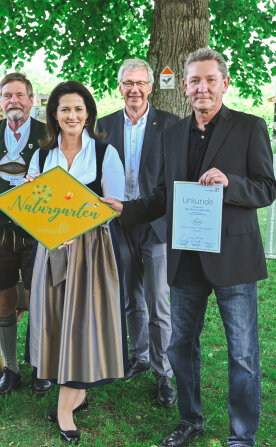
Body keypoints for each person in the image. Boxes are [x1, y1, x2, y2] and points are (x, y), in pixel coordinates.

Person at [102, 48, 276, 447]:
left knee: (243, 355)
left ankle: (240, 441)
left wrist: (229, 183)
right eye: (194, 81)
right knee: (181, 347)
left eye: (209, 80)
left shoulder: (250, 127)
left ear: (224, 83)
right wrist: (123, 208)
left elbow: (266, 188)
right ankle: (190, 420)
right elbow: (164, 196)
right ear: (184, 86)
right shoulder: (173, 133)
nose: (201, 87)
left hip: (233, 259)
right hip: (184, 258)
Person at [26, 81, 126, 445]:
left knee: (82, 322)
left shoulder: (104, 154)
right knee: (55, 320)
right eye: (65, 109)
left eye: (79, 109)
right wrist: (51, 226)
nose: (72, 116)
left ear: (88, 114)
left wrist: (77, 224)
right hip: (51, 249)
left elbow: (114, 207)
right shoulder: (40, 156)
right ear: (54, 113)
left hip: (90, 252)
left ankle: (65, 408)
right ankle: (75, 392)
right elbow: (34, 207)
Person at [96, 58, 179, 407]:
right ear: (120, 87)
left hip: (155, 221)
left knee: (158, 301)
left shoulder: (170, 125)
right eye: (128, 83)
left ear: (150, 87)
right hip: (118, 221)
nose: (134, 89)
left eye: (141, 83)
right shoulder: (102, 125)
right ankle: (140, 356)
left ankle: (164, 372)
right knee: (130, 295)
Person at [0, 72, 52, 397]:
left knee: (39, 299)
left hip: (36, 233)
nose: (14, 101)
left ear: (32, 100)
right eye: (7, 95)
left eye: (20, 95)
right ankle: (11, 369)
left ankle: (41, 368)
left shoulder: (49, 135)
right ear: (0, 101)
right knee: (3, 299)